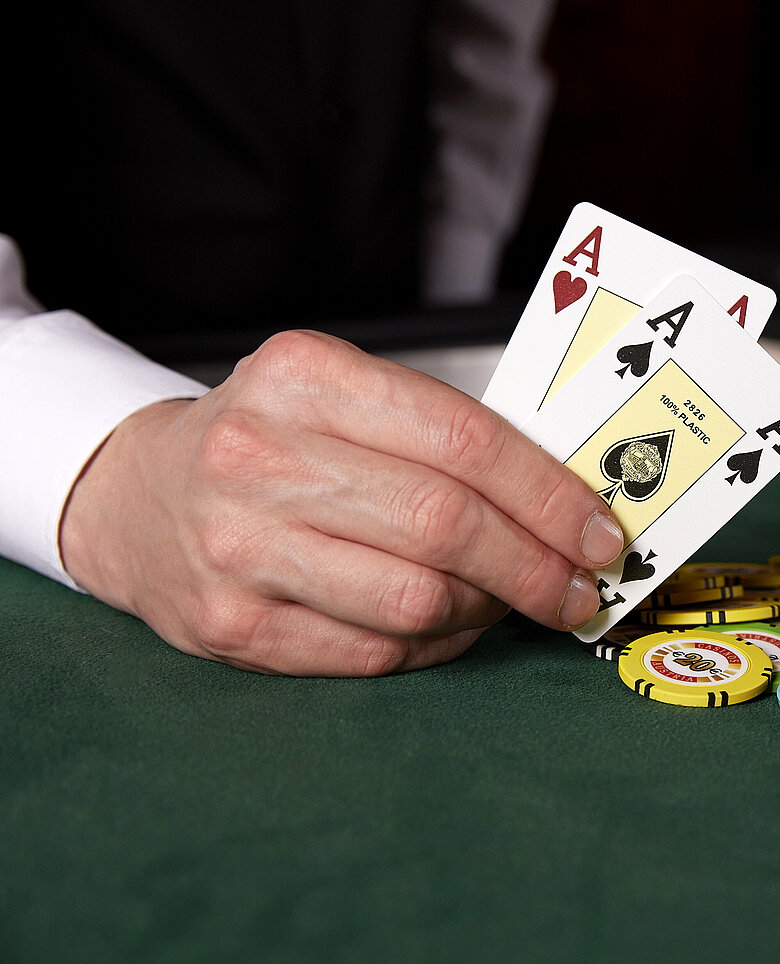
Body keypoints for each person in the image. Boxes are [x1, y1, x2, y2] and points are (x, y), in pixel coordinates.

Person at [0, 0, 625, 676]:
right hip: (101, 335)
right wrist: (109, 471)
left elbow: (486, 34)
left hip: (407, 310)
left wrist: (449, 295)